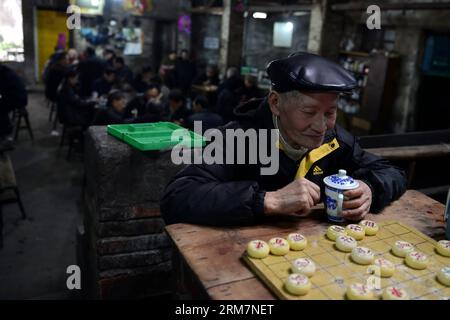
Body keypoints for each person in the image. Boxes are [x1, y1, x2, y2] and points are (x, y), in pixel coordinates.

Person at [161, 52, 407, 226]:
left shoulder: (334, 139)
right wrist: (267, 200)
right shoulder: (238, 139)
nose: (321, 126)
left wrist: (371, 189)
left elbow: (391, 171)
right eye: (309, 112)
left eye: (330, 113)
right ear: (276, 103)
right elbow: (178, 198)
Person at [0, 64, 28, 139]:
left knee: (1, 107)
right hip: (18, 97)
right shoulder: (5, 70)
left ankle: (6, 131)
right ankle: (6, 128)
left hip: (19, 99)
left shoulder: (4, 74)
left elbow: (3, 90)